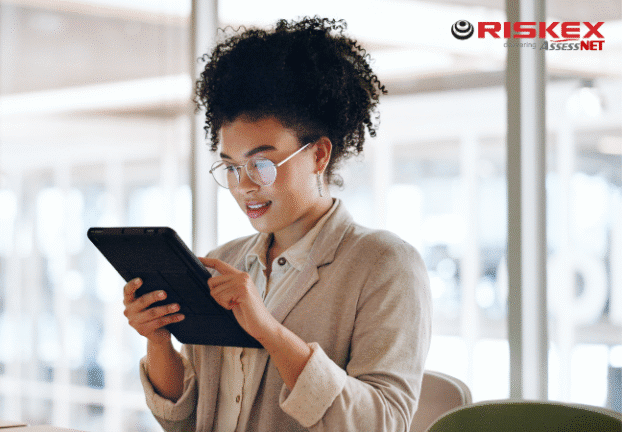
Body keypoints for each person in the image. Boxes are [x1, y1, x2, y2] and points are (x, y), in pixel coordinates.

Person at [122, 17, 432, 432]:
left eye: (262, 164)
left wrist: (268, 330)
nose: (244, 186)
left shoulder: (384, 265)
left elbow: (384, 422)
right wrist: (158, 340)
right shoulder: (224, 261)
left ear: (319, 155)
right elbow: (191, 421)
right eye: (231, 168)